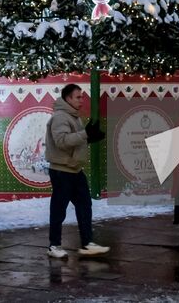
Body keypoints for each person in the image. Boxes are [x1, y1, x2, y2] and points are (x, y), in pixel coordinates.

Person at [45, 84, 108, 258]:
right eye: (78, 97)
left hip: (74, 169)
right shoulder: (60, 117)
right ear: (67, 99)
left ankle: (87, 243)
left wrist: (90, 137)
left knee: (84, 206)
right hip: (62, 170)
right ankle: (54, 245)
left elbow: (75, 142)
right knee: (59, 209)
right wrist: (85, 134)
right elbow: (62, 141)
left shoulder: (74, 117)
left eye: (82, 96)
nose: (81, 100)